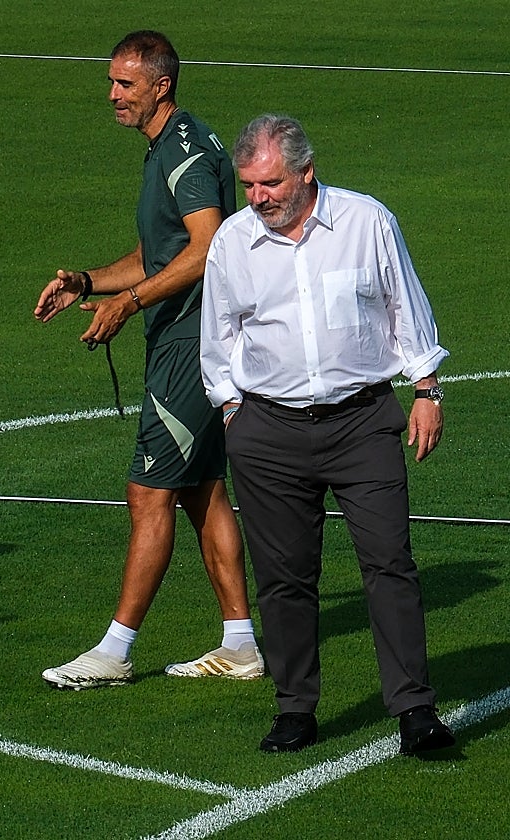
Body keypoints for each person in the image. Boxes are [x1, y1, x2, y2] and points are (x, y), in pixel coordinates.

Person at [200, 114, 455, 754]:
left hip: (363, 423)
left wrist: (426, 390)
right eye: (250, 185)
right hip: (268, 432)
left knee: (389, 563)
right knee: (284, 578)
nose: (259, 198)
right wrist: (234, 413)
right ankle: (295, 709)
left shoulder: (367, 222)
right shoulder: (232, 241)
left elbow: (406, 307)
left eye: (271, 184)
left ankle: (414, 709)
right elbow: (218, 335)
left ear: (307, 173)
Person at [34, 30, 262, 689]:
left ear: (160, 85)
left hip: (191, 347)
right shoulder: (168, 147)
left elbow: (206, 247)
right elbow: (158, 255)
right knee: (200, 490)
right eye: (111, 82)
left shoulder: (184, 151)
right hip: (188, 339)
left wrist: (129, 303)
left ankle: (114, 650)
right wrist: (86, 280)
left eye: (124, 84)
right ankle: (241, 644)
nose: (112, 94)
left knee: (148, 490)